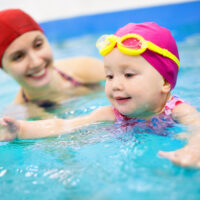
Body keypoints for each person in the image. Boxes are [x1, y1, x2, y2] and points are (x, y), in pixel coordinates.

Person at [1, 22, 200, 168]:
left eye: (128, 75)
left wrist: (193, 149)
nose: (115, 85)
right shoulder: (110, 114)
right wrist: (20, 129)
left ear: (164, 82)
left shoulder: (176, 110)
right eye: (109, 76)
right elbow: (64, 126)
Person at [0, 9, 105, 118]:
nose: (36, 62)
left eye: (38, 45)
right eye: (18, 57)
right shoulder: (18, 116)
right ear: (3, 69)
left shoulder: (87, 68)